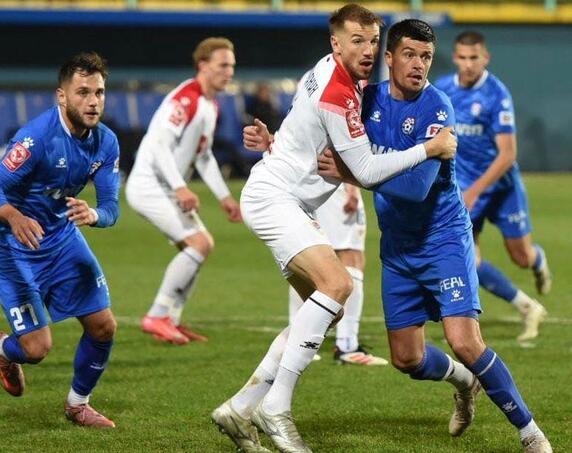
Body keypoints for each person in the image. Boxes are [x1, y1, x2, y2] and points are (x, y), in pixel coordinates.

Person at [211, 5, 457, 452]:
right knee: (338, 283)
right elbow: (365, 170)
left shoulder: (331, 71)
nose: (367, 50)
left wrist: (275, 141)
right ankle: (276, 408)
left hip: (285, 196)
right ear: (335, 44)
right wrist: (429, 148)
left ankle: (241, 407)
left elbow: (306, 126)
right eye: (356, 41)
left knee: (327, 307)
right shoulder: (339, 92)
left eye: (373, 41)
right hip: (275, 199)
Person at [319, 19, 552, 453]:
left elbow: (415, 188)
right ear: (389, 58)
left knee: (465, 341)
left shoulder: (436, 107)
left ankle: (530, 432)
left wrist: (353, 174)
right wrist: (275, 140)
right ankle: (464, 383)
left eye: (426, 56)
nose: (418, 64)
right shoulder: (367, 100)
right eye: (409, 54)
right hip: (398, 246)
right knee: (406, 358)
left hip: (442, 239)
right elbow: (322, 136)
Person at [0, 52, 119, 428]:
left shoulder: (106, 143)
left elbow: (111, 207)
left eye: (99, 92)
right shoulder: (37, 138)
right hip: (12, 243)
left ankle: (78, 405)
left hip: (60, 236)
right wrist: (14, 216)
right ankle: (3, 348)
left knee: (103, 325)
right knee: (37, 349)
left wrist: (94, 215)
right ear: (62, 96)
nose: (93, 101)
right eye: (83, 92)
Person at [434, 31, 550, 342]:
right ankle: (527, 307)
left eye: (474, 58)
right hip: (463, 189)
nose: (468, 64)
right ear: (455, 57)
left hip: (501, 187)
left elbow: (508, 154)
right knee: (468, 259)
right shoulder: (443, 90)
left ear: (485, 58)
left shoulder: (496, 95)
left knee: (521, 257)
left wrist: (475, 191)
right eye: (462, 57)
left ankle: (538, 260)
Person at [125, 37, 242, 345]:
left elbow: (203, 156)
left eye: (232, 66)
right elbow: (160, 144)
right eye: (223, 65)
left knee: (201, 246)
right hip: (150, 184)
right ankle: (157, 315)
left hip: (166, 186)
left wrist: (224, 197)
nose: (229, 72)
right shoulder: (186, 99)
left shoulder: (210, 104)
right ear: (203, 65)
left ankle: (171, 320)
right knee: (199, 244)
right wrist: (180, 187)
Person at [288, 183, 388, 366]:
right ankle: (347, 346)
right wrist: (351, 188)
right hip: (334, 183)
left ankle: (295, 342)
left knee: (307, 259)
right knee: (351, 256)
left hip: (303, 183)